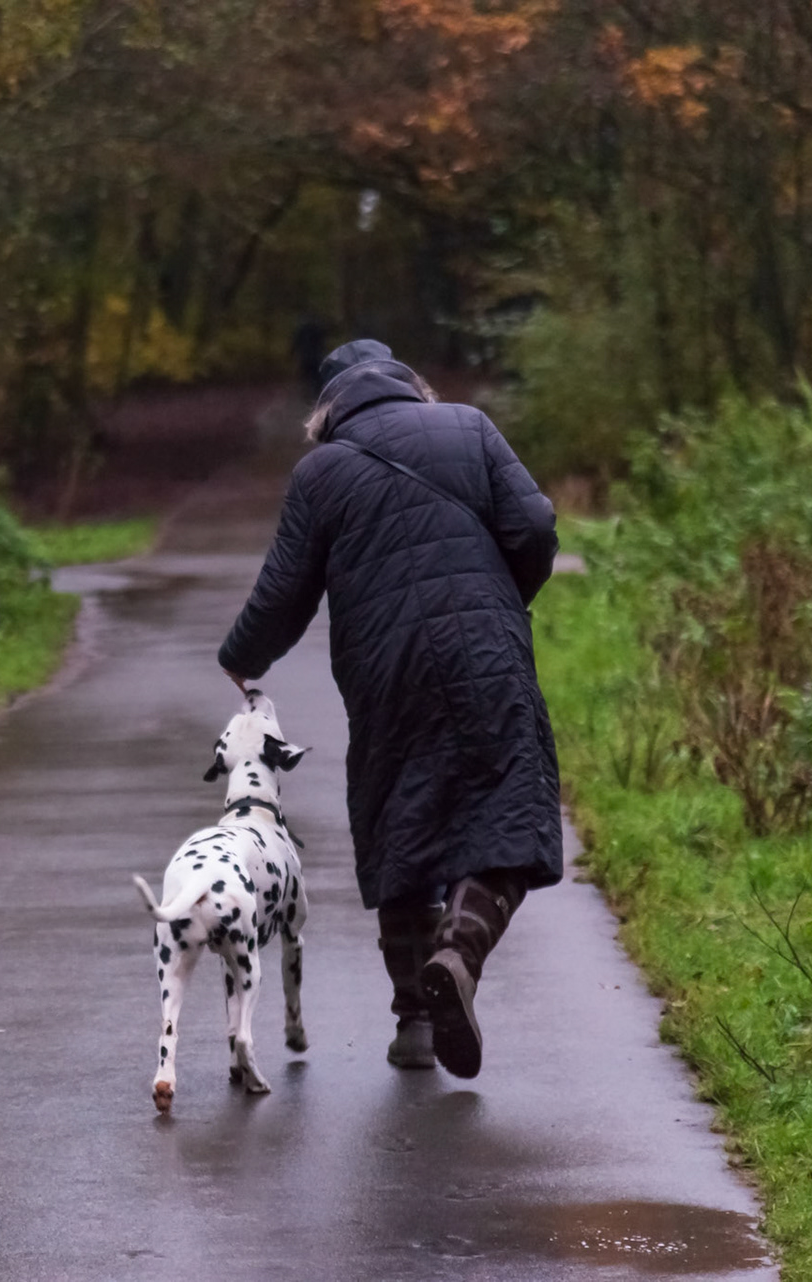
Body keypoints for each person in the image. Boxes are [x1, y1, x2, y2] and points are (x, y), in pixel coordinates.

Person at [217, 339, 561, 1079]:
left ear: (327, 410)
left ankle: (414, 1022)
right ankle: (458, 953)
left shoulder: (321, 472)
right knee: (508, 809)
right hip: (486, 651)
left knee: (402, 821)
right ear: (411, 385)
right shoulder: (469, 426)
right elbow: (533, 524)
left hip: (386, 672)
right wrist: (506, 602)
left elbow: (285, 591)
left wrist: (241, 656)